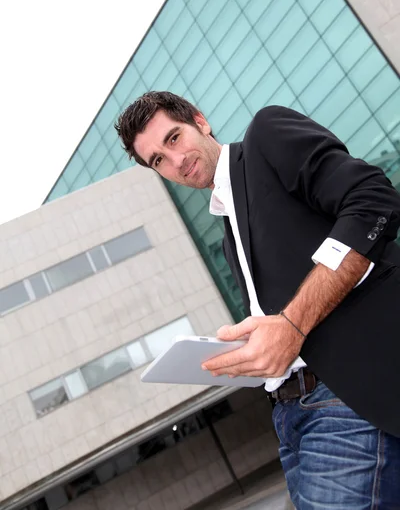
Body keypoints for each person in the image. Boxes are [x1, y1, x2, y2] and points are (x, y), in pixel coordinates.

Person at [115, 91, 400, 508]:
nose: (174, 161)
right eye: (158, 160)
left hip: (344, 397)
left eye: (174, 138)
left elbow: (372, 201)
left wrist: (292, 324)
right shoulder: (230, 231)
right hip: (289, 418)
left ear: (200, 120)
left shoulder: (266, 137)